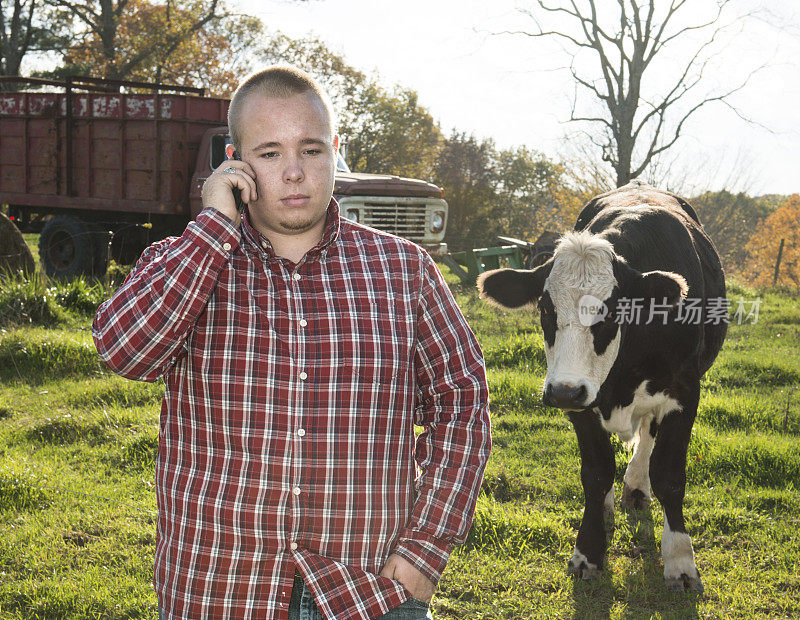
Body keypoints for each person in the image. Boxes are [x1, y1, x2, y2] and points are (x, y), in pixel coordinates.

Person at [93, 65, 491, 620]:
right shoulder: (182, 261)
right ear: (235, 161)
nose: (295, 173)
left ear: (336, 151)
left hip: (370, 589)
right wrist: (213, 227)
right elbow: (125, 352)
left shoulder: (405, 271)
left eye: (311, 150)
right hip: (219, 586)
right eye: (271, 153)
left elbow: (463, 403)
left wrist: (427, 544)